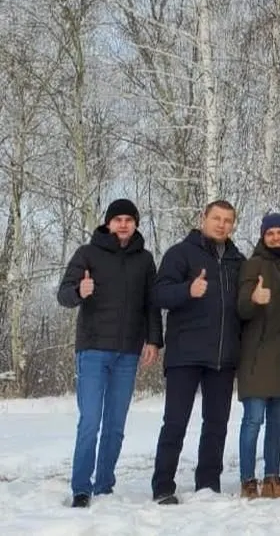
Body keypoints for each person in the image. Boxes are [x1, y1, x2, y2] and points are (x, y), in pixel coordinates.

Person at [57, 199, 162, 508]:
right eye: (118, 219)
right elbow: (64, 294)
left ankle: (104, 485)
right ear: (108, 223)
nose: (123, 224)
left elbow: (151, 304)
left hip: (127, 354)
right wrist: (79, 292)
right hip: (92, 351)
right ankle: (81, 487)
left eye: (129, 219)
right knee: (90, 421)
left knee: (115, 424)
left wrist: (154, 341)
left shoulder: (144, 260)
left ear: (136, 224)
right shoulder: (87, 254)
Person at [150, 200, 245, 504]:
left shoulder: (237, 260)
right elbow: (159, 294)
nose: (222, 224)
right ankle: (163, 485)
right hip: (185, 354)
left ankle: (208, 483)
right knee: (175, 422)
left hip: (223, 355)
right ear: (203, 218)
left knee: (216, 425)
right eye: (216, 218)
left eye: (228, 220)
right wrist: (187, 291)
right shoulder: (181, 254)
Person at [235, 213, 280, 499]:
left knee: (277, 423)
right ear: (263, 236)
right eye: (270, 232)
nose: (275, 237)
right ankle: (248, 479)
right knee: (253, 420)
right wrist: (253, 300)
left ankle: (272, 477)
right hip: (257, 357)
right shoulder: (254, 264)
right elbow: (241, 310)